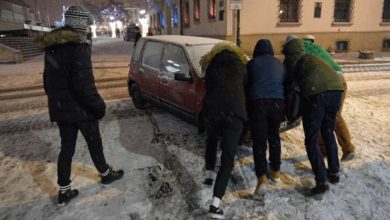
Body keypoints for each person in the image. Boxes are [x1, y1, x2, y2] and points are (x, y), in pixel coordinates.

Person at [37, 5, 124, 206]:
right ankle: (106, 174)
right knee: (95, 143)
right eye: (86, 25)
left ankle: (64, 190)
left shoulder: (53, 46)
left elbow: (47, 82)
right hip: (82, 110)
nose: (87, 29)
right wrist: (98, 107)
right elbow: (84, 84)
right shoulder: (79, 47)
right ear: (81, 25)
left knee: (66, 149)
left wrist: (59, 103)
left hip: (62, 109)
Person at [282, 37, 344, 195]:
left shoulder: (292, 61)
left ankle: (321, 180)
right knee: (328, 131)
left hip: (317, 94)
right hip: (336, 90)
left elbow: (288, 85)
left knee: (311, 139)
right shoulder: (311, 57)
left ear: (289, 51)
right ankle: (334, 172)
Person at [200, 42, 248, 219]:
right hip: (234, 114)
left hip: (213, 112)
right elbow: (245, 86)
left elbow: (208, 87)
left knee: (211, 141)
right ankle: (216, 204)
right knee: (228, 158)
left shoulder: (211, 67)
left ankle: (209, 174)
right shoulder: (241, 67)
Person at [302, 35, 355, 161]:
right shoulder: (321, 49)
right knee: (335, 115)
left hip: (324, 83)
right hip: (340, 81)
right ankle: (348, 147)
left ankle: (324, 149)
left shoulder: (302, 50)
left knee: (319, 115)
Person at [246, 39, 286, 197]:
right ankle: (275, 171)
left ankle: (262, 177)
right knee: (274, 136)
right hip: (278, 102)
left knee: (259, 141)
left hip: (258, 102)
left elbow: (246, 83)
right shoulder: (280, 64)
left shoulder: (252, 64)